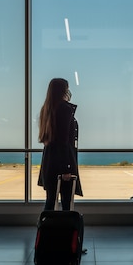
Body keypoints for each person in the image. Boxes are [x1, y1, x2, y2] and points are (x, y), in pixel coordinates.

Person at [37, 77, 83, 210]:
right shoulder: (65, 109)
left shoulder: (47, 109)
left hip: (50, 162)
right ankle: (66, 230)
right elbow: (63, 141)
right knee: (66, 203)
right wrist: (67, 168)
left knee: (50, 201)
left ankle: (45, 229)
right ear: (63, 90)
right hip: (62, 163)